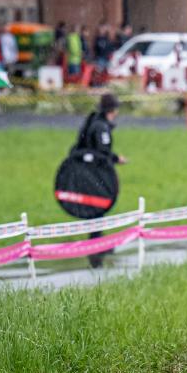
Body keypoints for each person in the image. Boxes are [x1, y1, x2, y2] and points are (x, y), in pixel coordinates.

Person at [73, 93, 127, 268]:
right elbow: (102, 152)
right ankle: (96, 247)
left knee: (97, 209)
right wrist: (116, 158)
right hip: (94, 174)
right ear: (113, 110)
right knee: (96, 209)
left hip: (89, 172)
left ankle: (99, 243)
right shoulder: (101, 127)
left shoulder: (95, 123)